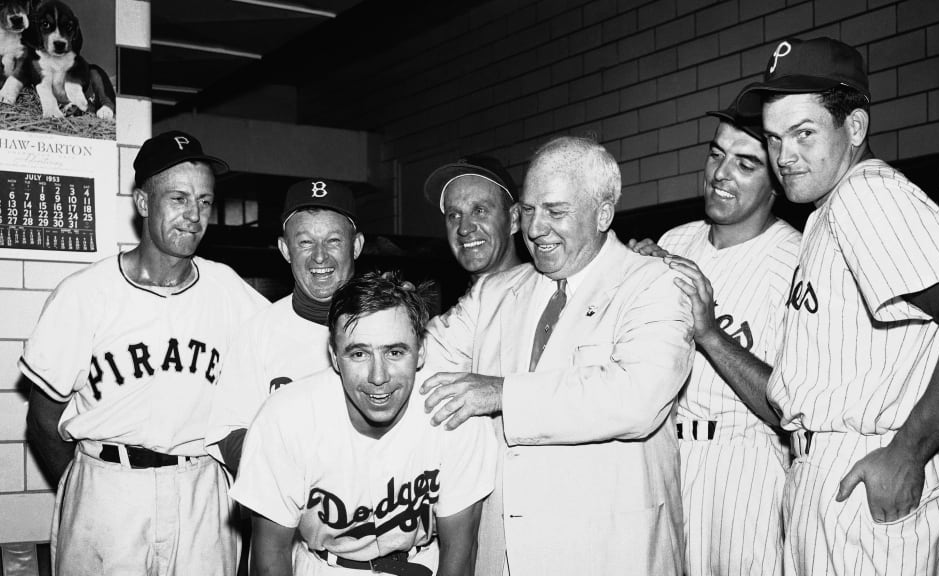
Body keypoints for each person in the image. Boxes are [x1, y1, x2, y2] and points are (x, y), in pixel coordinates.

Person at [686, 36, 939, 575]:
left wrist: (909, 452)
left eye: (804, 133)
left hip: (864, 473)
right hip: (825, 472)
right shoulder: (831, 208)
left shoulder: (868, 196)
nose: (784, 157)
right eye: (776, 138)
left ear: (855, 129)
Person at [420, 136, 695, 575]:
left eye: (556, 211)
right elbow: (420, 364)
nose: (535, 228)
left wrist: (501, 393)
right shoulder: (494, 293)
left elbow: (636, 397)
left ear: (603, 213)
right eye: (529, 210)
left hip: (609, 554)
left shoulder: (654, 283)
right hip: (506, 554)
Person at [22, 130, 268, 575]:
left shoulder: (228, 289)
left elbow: (287, 346)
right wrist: (86, 482)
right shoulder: (85, 294)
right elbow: (42, 419)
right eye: (178, 198)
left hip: (201, 489)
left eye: (205, 201)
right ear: (142, 203)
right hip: (108, 488)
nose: (194, 215)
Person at [632, 91, 801, 575]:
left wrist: (709, 332)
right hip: (667, 455)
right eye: (716, 154)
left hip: (744, 464)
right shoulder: (675, 240)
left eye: (745, 164)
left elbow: (788, 405)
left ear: (775, 184)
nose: (721, 173)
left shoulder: (794, 259)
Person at [232, 271, 497, 576]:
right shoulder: (285, 417)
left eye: (395, 352)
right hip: (322, 566)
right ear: (334, 355)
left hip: (422, 563)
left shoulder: (453, 414)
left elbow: (459, 554)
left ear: (421, 350)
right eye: (359, 353)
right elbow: (271, 556)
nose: (378, 376)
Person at [205, 178, 364, 476]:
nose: (320, 256)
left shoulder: (388, 327)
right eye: (305, 242)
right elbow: (229, 433)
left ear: (356, 246)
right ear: (285, 249)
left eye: (333, 240)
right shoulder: (258, 332)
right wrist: (289, 490)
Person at [423, 156, 522, 283]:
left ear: (514, 219)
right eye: (454, 215)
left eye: (479, 211)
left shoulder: (544, 297)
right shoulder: (463, 301)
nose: (464, 229)